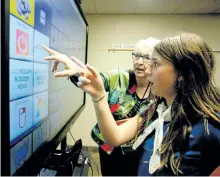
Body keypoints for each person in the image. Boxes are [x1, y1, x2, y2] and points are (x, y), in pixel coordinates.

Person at [43, 33, 220, 175]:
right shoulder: (157, 110)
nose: (146, 67)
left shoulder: (208, 128)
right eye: (136, 56)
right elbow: (114, 137)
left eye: (154, 62)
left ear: (182, 73)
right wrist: (97, 93)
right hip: (113, 153)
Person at [43, 37, 160, 176]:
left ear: (155, 62)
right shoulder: (120, 77)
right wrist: (76, 71)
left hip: (136, 150)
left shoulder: (159, 89)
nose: (140, 62)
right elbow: (94, 80)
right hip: (108, 146)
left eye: (146, 57)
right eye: (137, 56)